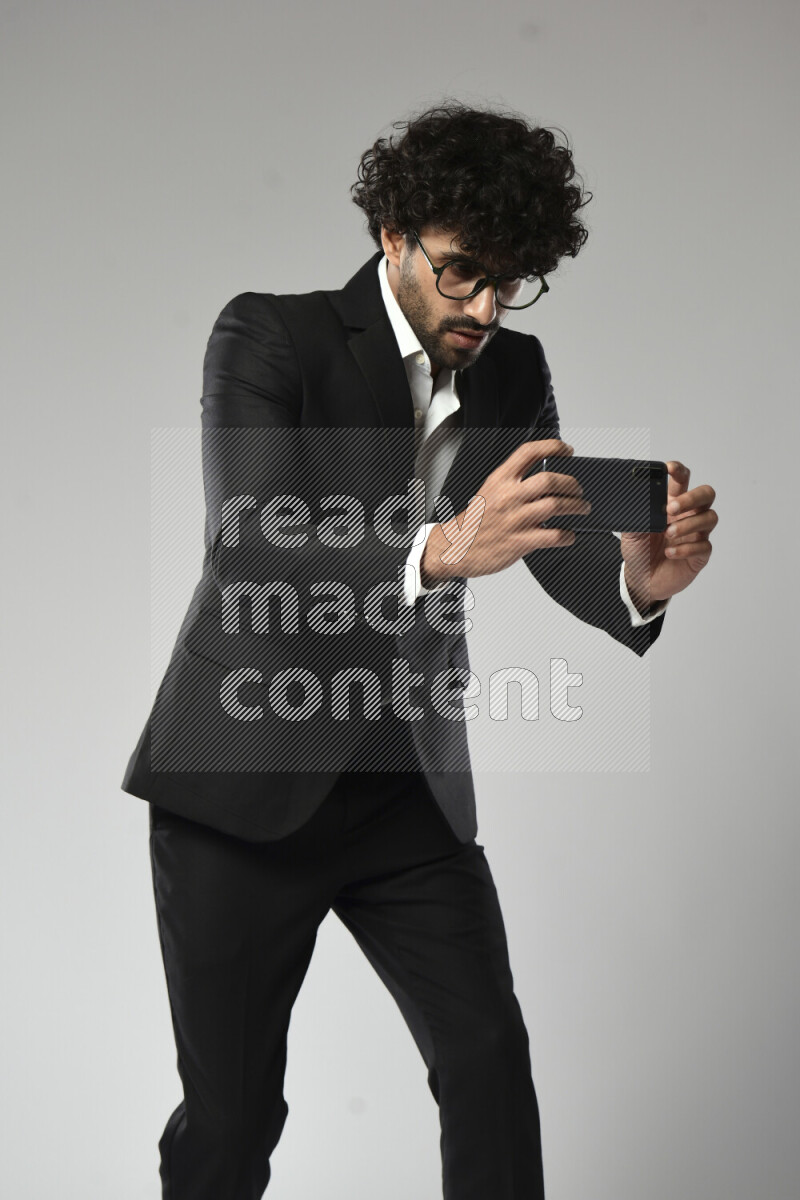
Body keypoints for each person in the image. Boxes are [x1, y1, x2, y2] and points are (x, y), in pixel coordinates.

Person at [121, 101, 718, 1199]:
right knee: (234, 1121)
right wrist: (439, 548)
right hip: (239, 789)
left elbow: (535, 540)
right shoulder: (270, 335)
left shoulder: (511, 367)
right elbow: (248, 543)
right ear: (392, 235)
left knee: (488, 1063)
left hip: (406, 792)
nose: (485, 307)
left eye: (511, 281)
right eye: (461, 273)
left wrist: (637, 580)